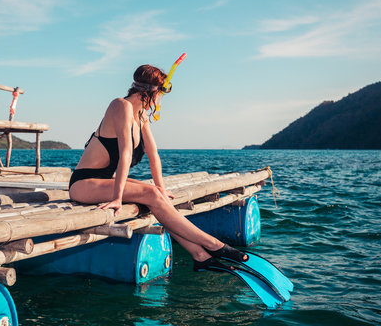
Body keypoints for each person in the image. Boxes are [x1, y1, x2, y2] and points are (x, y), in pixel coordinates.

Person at [68, 64, 248, 271]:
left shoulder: (141, 116)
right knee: (151, 194)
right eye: (161, 93)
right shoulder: (121, 106)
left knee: (156, 195)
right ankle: (215, 245)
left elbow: (154, 156)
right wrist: (117, 198)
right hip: (82, 184)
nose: (161, 99)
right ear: (151, 91)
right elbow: (125, 152)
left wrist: (161, 187)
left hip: (104, 181)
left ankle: (200, 256)